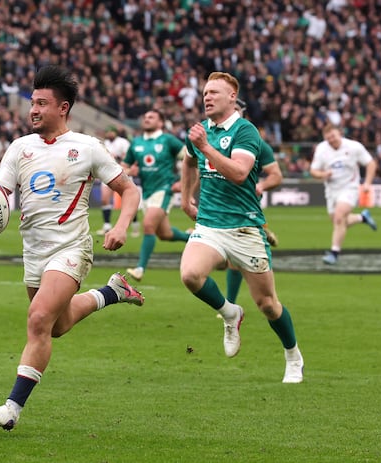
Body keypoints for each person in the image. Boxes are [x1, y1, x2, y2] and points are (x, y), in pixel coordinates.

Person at [0, 65, 144, 431]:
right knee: (56, 326)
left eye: (42, 103)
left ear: (64, 108)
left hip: (72, 247)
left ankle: (12, 407)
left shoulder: (87, 148)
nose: (33, 110)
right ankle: (112, 292)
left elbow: (130, 190)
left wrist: (121, 225)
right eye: (32, 102)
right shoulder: (19, 148)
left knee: (39, 319)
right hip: (35, 252)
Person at [180, 72, 303, 384]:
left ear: (232, 97)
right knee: (190, 274)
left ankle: (293, 355)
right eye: (205, 92)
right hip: (209, 223)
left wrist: (205, 147)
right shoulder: (200, 131)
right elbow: (187, 161)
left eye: (214, 93)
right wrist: (185, 199)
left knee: (268, 305)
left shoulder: (245, 130)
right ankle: (230, 312)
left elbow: (238, 172)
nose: (207, 97)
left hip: (244, 227)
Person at [122, 110, 192, 281]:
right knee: (164, 234)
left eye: (151, 117)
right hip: (147, 193)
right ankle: (192, 237)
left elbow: (190, 158)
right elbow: (123, 167)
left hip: (164, 189)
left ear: (161, 123)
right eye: (145, 117)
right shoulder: (136, 143)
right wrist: (130, 170)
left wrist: (182, 182)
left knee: (148, 225)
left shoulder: (168, 140)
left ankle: (140, 269)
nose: (146, 119)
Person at [226, 98, 283, 305]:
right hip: (214, 205)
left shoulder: (256, 142)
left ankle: (230, 305)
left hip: (242, 207)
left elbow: (276, 175)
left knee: (233, 258)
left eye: (237, 109)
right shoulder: (211, 138)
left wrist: (262, 186)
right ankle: (263, 229)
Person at [309, 124, 377, 265]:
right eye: (328, 139)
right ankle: (362, 217)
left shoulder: (354, 147)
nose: (331, 140)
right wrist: (323, 174)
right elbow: (313, 171)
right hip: (331, 190)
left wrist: (367, 183)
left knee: (339, 217)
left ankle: (334, 252)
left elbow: (371, 164)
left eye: (333, 136)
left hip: (350, 187)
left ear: (339, 133)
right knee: (338, 221)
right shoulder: (322, 149)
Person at [95, 125, 136, 236]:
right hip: (108, 172)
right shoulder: (105, 143)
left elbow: (129, 156)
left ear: (114, 132)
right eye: (107, 132)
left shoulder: (122, 142)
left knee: (128, 200)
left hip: (122, 172)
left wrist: (117, 157)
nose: (109, 134)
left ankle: (135, 226)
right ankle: (107, 226)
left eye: (110, 132)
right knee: (104, 199)